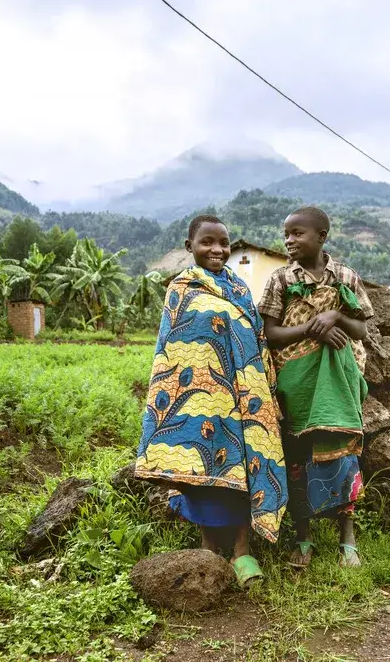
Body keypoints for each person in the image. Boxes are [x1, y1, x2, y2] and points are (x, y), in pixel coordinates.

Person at [135, 215, 287, 588]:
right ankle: (206, 549)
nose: (217, 249)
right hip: (195, 400)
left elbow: (255, 341)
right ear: (190, 247)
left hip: (241, 399)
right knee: (200, 471)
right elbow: (171, 350)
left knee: (242, 466)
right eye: (207, 242)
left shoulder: (239, 288)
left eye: (223, 242)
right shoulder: (182, 288)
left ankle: (241, 551)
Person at [259, 206, 372, 569]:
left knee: (342, 451)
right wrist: (311, 328)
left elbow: (361, 330)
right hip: (296, 382)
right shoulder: (279, 279)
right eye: (286, 234)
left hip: (339, 380)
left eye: (298, 233)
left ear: (322, 236)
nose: (289, 240)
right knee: (297, 455)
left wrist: (335, 316)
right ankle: (303, 537)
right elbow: (271, 334)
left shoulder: (345, 277)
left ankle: (347, 539)